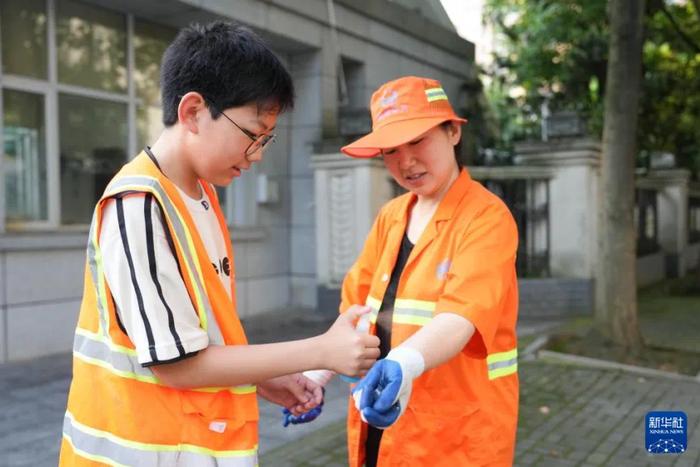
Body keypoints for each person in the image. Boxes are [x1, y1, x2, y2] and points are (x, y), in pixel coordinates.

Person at [59, 21, 379, 466]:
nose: (259, 154)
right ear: (192, 112)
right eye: (253, 134)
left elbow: (198, 337)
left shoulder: (201, 195)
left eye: (268, 138)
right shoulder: (138, 206)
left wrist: (270, 378)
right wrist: (320, 350)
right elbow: (176, 364)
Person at [339, 76, 520, 466]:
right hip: (380, 421)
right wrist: (317, 374)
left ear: (453, 132)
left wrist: (403, 362)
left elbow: (461, 316)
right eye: (390, 150)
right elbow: (356, 305)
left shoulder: (487, 217)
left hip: (457, 438)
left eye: (418, 140)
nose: (406, 162)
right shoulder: (391, 216)